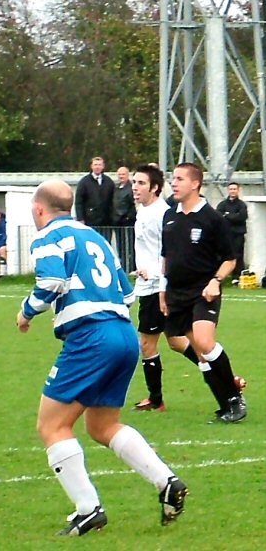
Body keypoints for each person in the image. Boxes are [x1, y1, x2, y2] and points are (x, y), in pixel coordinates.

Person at [16, 179, 187, 536]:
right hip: (123, 333)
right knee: (101, 425)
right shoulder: (95, 237)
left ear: (39, 209)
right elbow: (125, 291)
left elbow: (50, 282)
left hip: (91, 337)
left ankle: (88, 509)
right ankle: (166, 482)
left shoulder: (48, 236)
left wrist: (26, 312)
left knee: (52, 425)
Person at [160, 163, 247, 423]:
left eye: (179, 179)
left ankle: (234, 399)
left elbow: (230, 259)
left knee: (205, 342)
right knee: (197, 352)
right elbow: (166, 257)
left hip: (203, 291)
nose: (174, 183)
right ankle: (226, 405)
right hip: (176, 292)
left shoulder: (212, 218)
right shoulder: (170, 216)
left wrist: (216, 281)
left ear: (195, 184)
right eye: (172, 178)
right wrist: (163, 291)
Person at [132, 165, 199, 411]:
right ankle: (225, 376)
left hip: (156, 289)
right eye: (134, 183)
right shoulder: (144, 211)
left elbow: (169, 253)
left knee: (147, 343)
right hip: (149, 285)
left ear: (155, 187)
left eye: (140, 183)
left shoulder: (162, 215)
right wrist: (141, 267)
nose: (135, 188)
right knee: (176, 340)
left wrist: (158, 278)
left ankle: (156, 399)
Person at [75, 156, 114, 240]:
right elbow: (79, 201)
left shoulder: (109, 182)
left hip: (106, 222)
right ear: (91, 166)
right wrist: (80, 218)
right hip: (90, 221)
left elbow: (113, 201)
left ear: (103, 166)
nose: (97, 167)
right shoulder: (84, 182)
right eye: (95, 164)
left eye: (99, 165)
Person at [216, 182, 248, 285]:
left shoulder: (242, 204)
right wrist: (232, 216)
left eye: (234, 189)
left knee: (238, 255)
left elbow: (242, 217)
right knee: (222, 256)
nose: (232, 191)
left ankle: (236, 277)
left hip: (238, 234)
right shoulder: (222, 204)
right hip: (225, 235)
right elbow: (218, 216)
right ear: (228, 190)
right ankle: (220, 277)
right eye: (231, 189)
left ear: (238, 190)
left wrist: (228, 215)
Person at [112, 166, 136, 272]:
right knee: (120, 246)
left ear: (128, 175)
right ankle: (123, 267)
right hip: (117, 222)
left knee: (130, 245)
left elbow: (133, 205)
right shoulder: (116, 188)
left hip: (128, 222)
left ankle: (131, 267)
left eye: (123, 174)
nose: (121, 176)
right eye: (119, 174)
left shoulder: (131, 188)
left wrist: (127, 217)